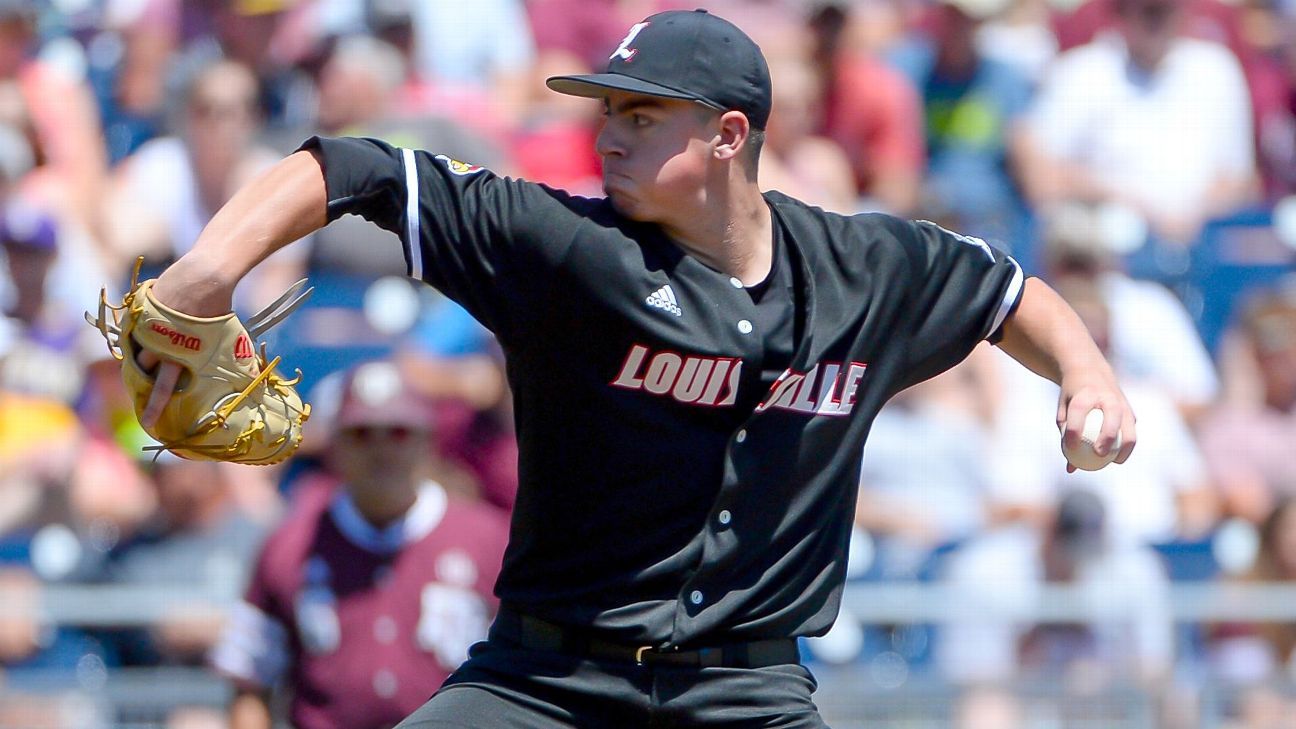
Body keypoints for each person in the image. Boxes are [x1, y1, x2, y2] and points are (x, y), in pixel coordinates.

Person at [130, 10, 1135, 727]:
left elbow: (1011, 297)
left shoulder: (866, 269)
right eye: (606, 110)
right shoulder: (564, 248)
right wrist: (202, 275)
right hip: (544, 682)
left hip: (748, 693)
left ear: (729, 134)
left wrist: (1088, 377)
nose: (606, 133)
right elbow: (350, 171)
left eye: (641, 116)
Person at [211, 360, 509, 729]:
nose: (381, 450)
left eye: (398, 432)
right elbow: (249, 680)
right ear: (334, 446)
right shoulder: (292, 542)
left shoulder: (487, 539)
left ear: (428, 441)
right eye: (362, 433)